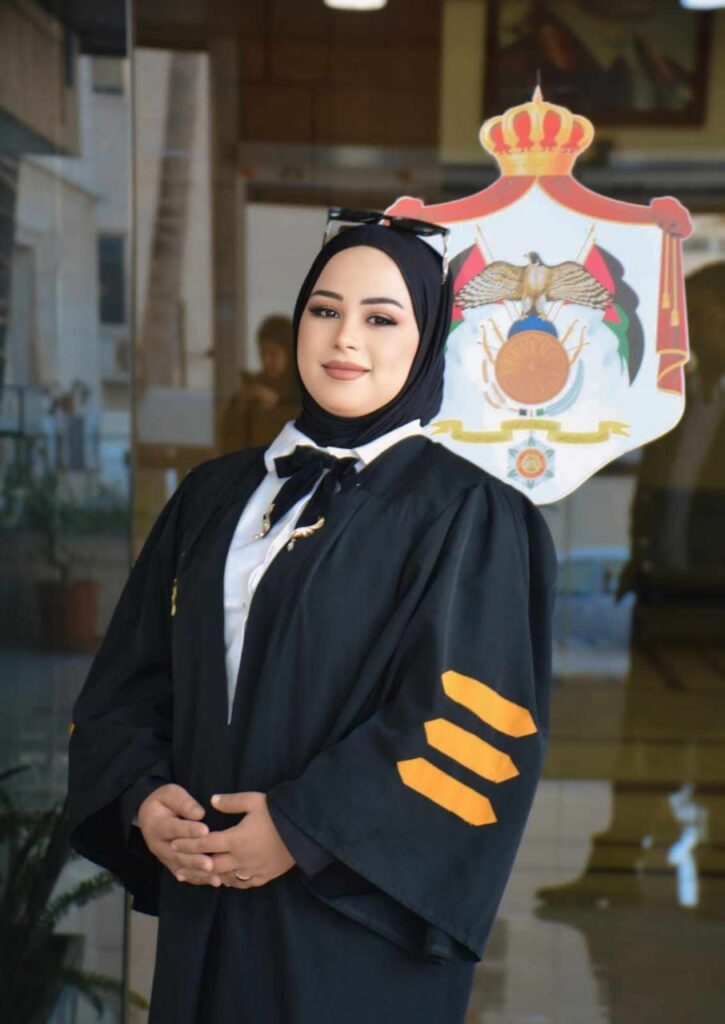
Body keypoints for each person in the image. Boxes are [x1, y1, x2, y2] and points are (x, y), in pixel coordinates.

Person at [67, 221, 558, 1024]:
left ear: (427, 341)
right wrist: (143, 798)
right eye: (324, 310)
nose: (344, 338)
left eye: (380, 317)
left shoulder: (468, 515)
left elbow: (469, 725)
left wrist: (301, 830)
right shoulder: (214, 495)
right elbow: (132, 675)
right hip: (204, 896)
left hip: (348, 915)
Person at [220, 314, 301, 451]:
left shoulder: (303, 388)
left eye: (273, 354)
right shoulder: (254, 386)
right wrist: (240, 406)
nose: (267, 360)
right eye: (263, 353)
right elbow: (229, 439)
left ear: (289, 353)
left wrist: (275, 407)